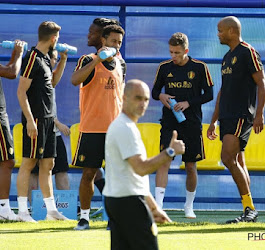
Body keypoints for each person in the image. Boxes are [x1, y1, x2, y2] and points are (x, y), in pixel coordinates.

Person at [103, 79, 185, 250]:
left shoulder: (125, 126)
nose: (143, 104)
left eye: (146, 99)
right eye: (137, 98)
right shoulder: (124, 127)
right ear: (124, 98)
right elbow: (141, 168)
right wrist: (170, 152)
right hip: (129, 203)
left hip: (119, 200)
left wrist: (152, 205)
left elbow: (131, 175)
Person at [207, 16, 265, 223]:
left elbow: (262, 83)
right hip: (226, 116)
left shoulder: (247, 52)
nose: (218, 34)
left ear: (232, 31)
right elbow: (223, 91)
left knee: (227, 158)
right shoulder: (226, 57)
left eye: (220, 30)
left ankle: (250, 208)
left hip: (242, 115)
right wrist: (213, 120)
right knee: (239, 161)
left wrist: (259, 113)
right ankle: (249, 210)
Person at [152, 32, 214, 218]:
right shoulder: (164, 68)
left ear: (186, 50)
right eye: (171, 52)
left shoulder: (200, 67)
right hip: (170, 122)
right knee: (164, 162)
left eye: (177, 53)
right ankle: (159, 206)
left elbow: (209, 94)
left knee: (190, 165)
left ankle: (188, 206)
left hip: (192, 123)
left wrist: (188, 103)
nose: (173, 56)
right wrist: (162, 96)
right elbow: (155, 91)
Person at [71, 24, 126, 230]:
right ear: (103, 41)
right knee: (89, 175)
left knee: (115, 177)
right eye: (113, 41)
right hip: (92, 129)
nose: (117, 45)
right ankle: (84, 218)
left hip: (115, 131)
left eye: (119, 42)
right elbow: (75, 80)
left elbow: (121, 96)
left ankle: (114, 219)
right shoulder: (88, 60)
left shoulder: (122, 64)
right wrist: (98, 60)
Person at [16, 21, 69, 222]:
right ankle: (22, 211)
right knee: (29, 163)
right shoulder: (32, 58)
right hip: (36, 120)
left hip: (48, 121)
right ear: (53, 38)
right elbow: (21, 92)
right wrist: (30, 121)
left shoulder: (46, 59)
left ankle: (51, 211)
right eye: (58, 38)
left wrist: (63, 60)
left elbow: (51, 84)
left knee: (48, 164)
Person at [0, 26, 25, 221]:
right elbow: (11, 73)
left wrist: (12, 58)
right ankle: (5, 208)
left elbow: (5, 70)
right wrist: (18, 55)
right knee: (7, 161)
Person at [28, 49, 70, 204]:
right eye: (53, 59)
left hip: (54, 133)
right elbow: (38, 107)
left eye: (56, 59)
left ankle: (67, 206)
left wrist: (63, 60)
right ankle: (34, 207)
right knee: (33, 170)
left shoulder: (48, 77)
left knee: (61, 169)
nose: (54, 62)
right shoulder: (35, 77)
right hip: (38, 131)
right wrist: (57, 122)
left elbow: (54, 80)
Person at [86, 17, 122, 197]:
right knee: (91, 169)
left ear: (101, 37)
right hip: (92, 124)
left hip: (111, 126)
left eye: (92, 32)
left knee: (112, 171)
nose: (88, 35)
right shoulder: (89, 59)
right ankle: (85, 216)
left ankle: (114, 210)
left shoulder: (117, 60)